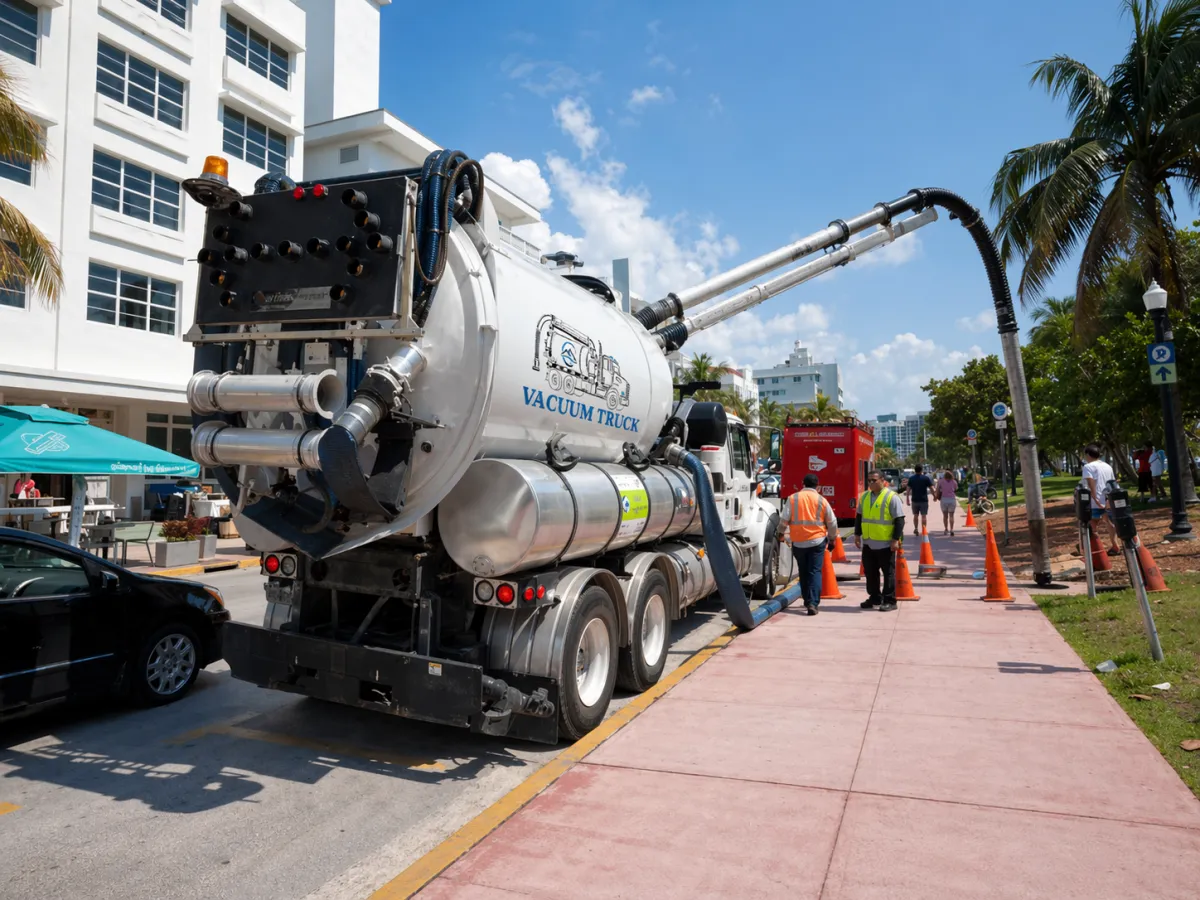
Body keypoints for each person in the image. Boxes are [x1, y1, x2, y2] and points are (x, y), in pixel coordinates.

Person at [777, 473, 838, 615]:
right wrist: (833, 538)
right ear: (817, 485)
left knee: (803, 572)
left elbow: (783, 520)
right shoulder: (822, 500)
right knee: (815, 571)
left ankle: (806, 599)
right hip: (817, 541)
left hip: (798, 543)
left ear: (802, 483)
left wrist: (780, 533)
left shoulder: (793, 498)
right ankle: (813, 603)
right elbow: (832, 521)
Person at [854, 469, 906, 612]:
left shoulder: (891, 497)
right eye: (869, 480)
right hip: (869, 542)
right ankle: (874, 597)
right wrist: (857, 535)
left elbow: (899, 520)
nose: (871, 483)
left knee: (888, 573)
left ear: (883, 481)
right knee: (870, 573)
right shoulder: (864, 497)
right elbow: (859, 517)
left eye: (874, 480)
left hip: (885, 544)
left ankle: (889, 600)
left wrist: (895, 539)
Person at [1081, 444, 1119, 556]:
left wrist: (1095, 498)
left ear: (1088, 454)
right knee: (1109, 522)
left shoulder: (1088, 467)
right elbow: (1112, 483)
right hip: (1107, 499)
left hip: (1095, 500)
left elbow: (1090, 483)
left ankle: (1096, 549)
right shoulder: (1108, 466)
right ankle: (1115, 546)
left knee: (1092, 523)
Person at [905, 465, 933, 536]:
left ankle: (916, 528)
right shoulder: (926, 478)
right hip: (924, 500)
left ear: (915, 470)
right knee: (924, 516)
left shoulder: (911, 479)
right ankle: (924, 529)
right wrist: (935, 496)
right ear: (921, 470)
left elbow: (908, 489)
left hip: (914, 500)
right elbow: (931, 488)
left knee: (915, 515)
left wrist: (907, 498)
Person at [935, 469, 959, 535]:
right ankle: (952, 529)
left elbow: (937, 490)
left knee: (945, 516)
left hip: (944, 499)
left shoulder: (940, 481)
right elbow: (956, 489)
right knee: (951, 515)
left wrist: (936, 497)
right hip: (952, 499)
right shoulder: (954, 482)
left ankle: (946, 529)